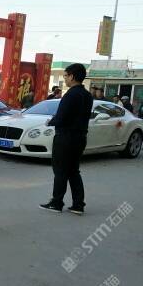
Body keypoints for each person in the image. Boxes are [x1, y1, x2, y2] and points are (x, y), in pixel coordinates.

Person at [40, 63, 92, 215]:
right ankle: (78, 205)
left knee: (60, 171)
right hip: (80, 137)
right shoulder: (87, 95)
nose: (65, 79)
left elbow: (61, 117)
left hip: (65, 138)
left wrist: (51, 121)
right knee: (74, 171)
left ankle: (56, 203)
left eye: (65, 76)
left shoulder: (70, 95)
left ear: (72, 76)